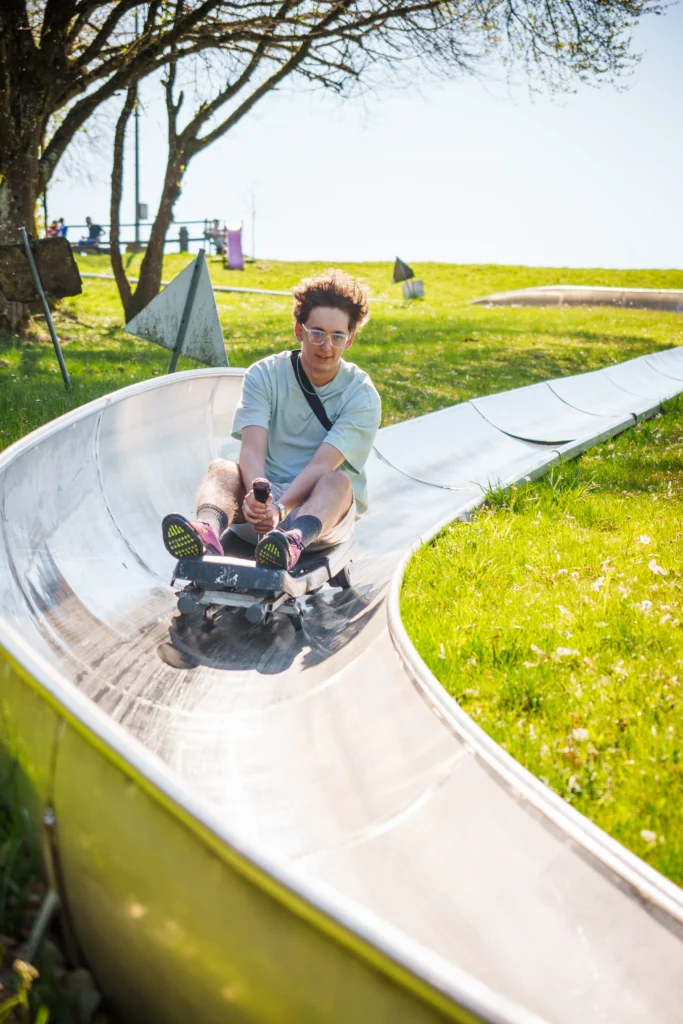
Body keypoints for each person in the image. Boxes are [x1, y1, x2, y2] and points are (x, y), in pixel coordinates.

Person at [162, 269, 381, 571]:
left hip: (319, 517)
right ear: (299, 330)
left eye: (337, 337)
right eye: (317, 333)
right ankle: (206, 531)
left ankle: (290, 543)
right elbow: (252, 449)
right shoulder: (264, 374)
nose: (326, 346)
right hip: (260, 511)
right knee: (222, 468)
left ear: (350, 340)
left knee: (338, 481)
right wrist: (258, 499)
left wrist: (280, 509)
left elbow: (321, 465)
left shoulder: (360, 394)